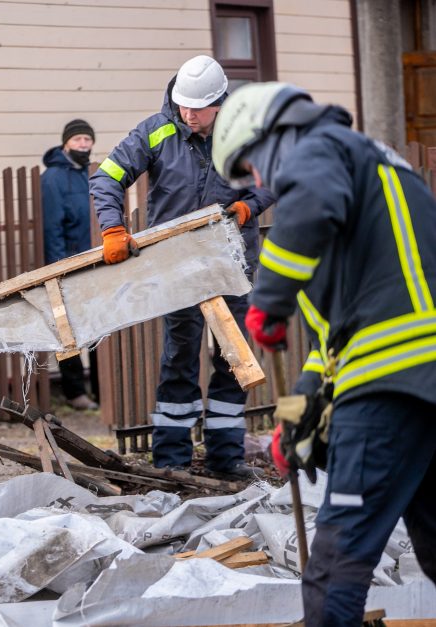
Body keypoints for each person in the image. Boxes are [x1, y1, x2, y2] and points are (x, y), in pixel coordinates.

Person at [213, 82, 436, 626]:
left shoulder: (320, 148)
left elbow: (307, 206)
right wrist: (290, 429)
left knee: (336, 561)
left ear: (269, 135)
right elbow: (328, 356)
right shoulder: (362, 198)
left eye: (251, 165)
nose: (261, 183)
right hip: (417, 383)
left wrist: (268, 300)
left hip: (392, 385)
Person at [89, 55, 274, 480]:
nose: (190, 114)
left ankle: (226, 460)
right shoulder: (157, 131)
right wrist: (114, 228)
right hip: (176, 265)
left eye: (199, 107)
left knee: (232, 358)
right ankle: (171, 461)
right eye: (184, 105)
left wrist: (251, 204)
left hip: (232, 264)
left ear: (219, 102)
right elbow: (107, 178)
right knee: (179, 357)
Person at [41, 119, 100, 411]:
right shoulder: (53, 177)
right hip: (68, 265)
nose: (83, 145)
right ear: (66, 143)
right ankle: (74, 391)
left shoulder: (89, 173)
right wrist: (58, 268)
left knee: (100, 326)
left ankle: (101, 391)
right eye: (78, 140)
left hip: (96, 262)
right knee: (69, 330)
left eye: (87, 140)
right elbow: (52, 227)